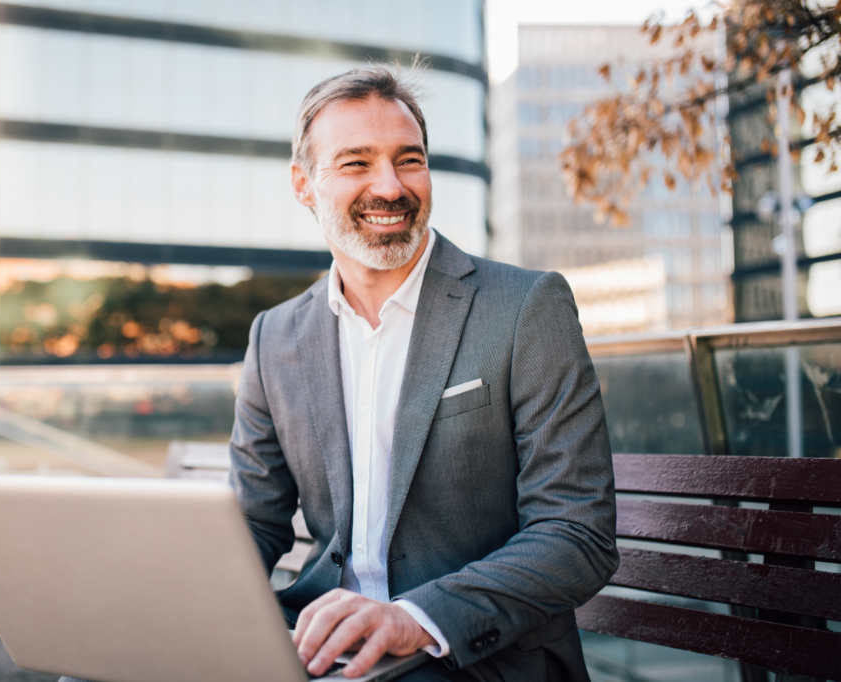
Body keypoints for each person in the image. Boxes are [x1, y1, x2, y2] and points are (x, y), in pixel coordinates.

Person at [228, 63, 618, 682]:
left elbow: (576, 532)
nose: (390, 186)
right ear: (303, 184)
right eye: (356, 163)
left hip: (472, 656)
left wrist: (415, 618)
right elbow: (251, 519)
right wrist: (179, 608)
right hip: (318, 647)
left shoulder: (525, 308)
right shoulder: (275, 336)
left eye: (408, 160)